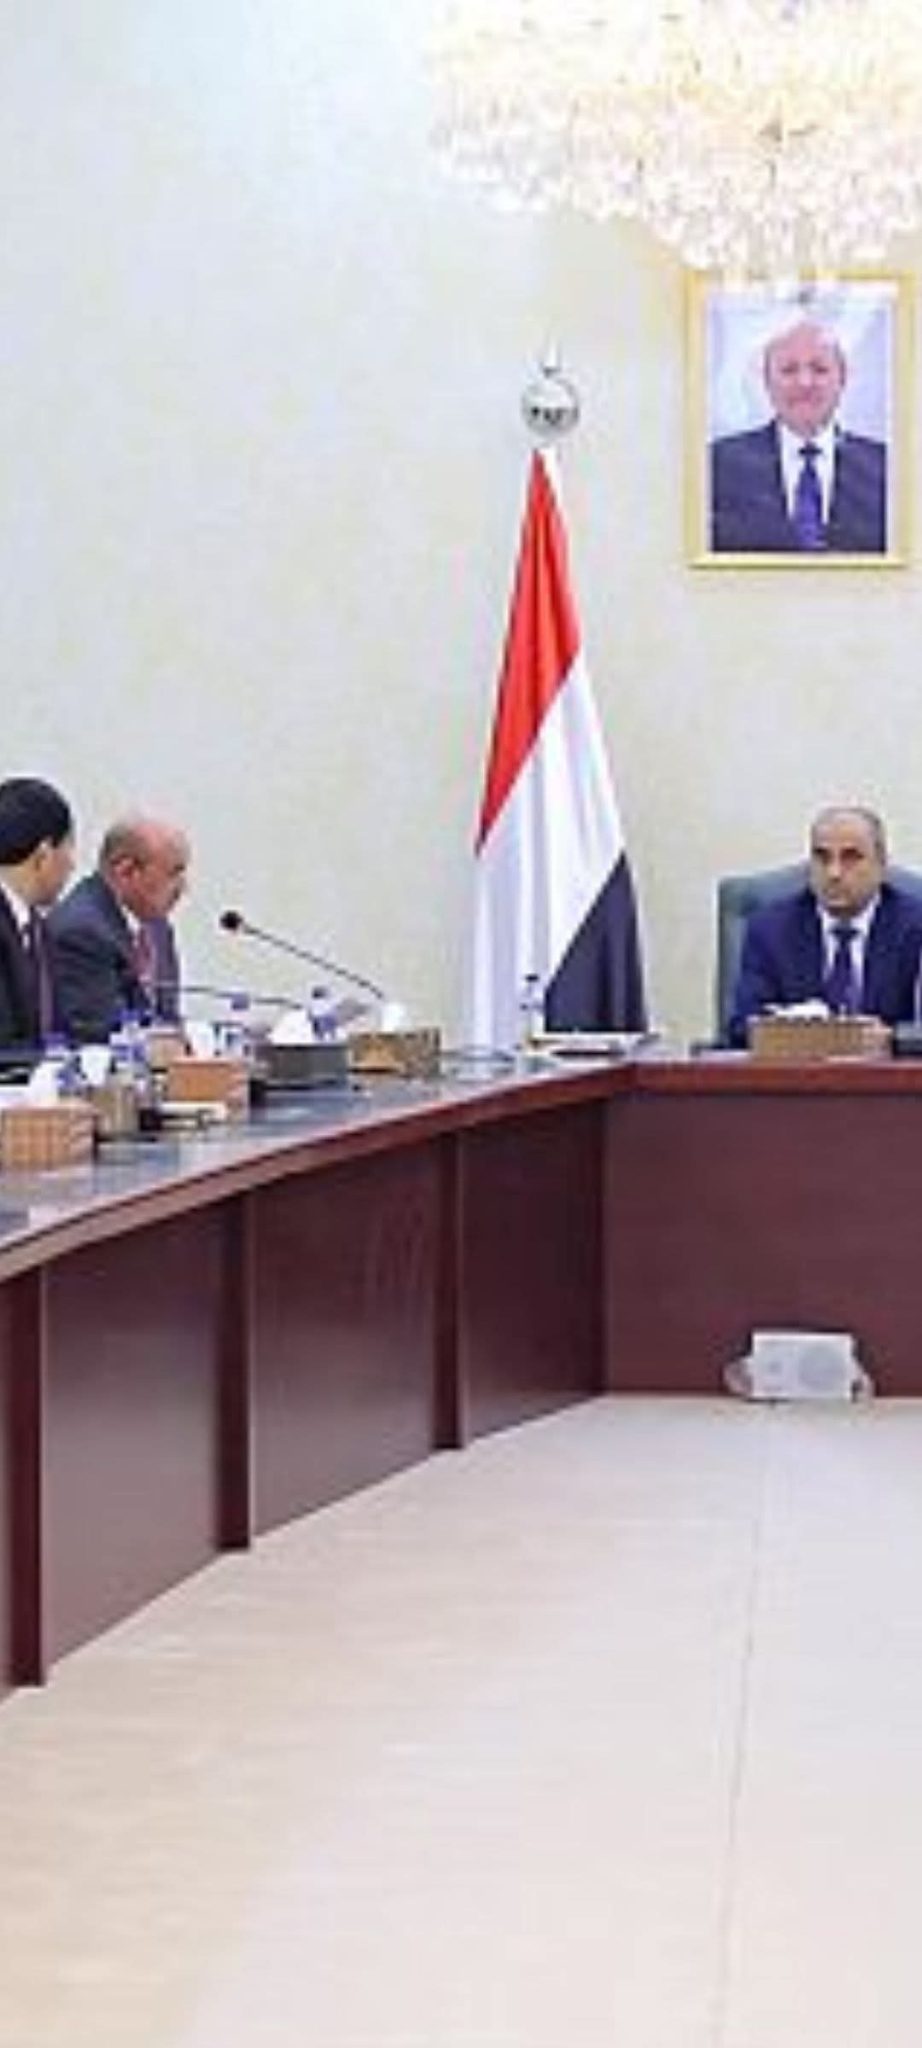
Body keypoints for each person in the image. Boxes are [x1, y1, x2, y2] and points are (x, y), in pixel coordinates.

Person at [728, 806, 922, 1048]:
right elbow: (742, 1026)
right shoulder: (771, 929)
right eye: (822, 858)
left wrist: (892, 1038)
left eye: (851, 858)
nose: (834, 873)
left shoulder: (915, 926)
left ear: (881, 865)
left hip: (889, 1070)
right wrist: (816, 1035)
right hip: (796, 1070)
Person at [710, 319, 887, 554]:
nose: (804, 383)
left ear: (842, 379)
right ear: (767, 381)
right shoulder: (718, 465)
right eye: (789, 370)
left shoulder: (887, 467)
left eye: (820, 369)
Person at [48, 814, 190, 1042]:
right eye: (174, 873)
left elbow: (167, 1017)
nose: (183, 888)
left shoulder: (156, 926)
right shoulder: (81, 931)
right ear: (126, 871)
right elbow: (97, 1030)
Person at [0, 776, 76, 1054]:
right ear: (43, 856)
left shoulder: (38, 928)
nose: (72, 865)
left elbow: (59, 1032)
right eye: (68, 848)